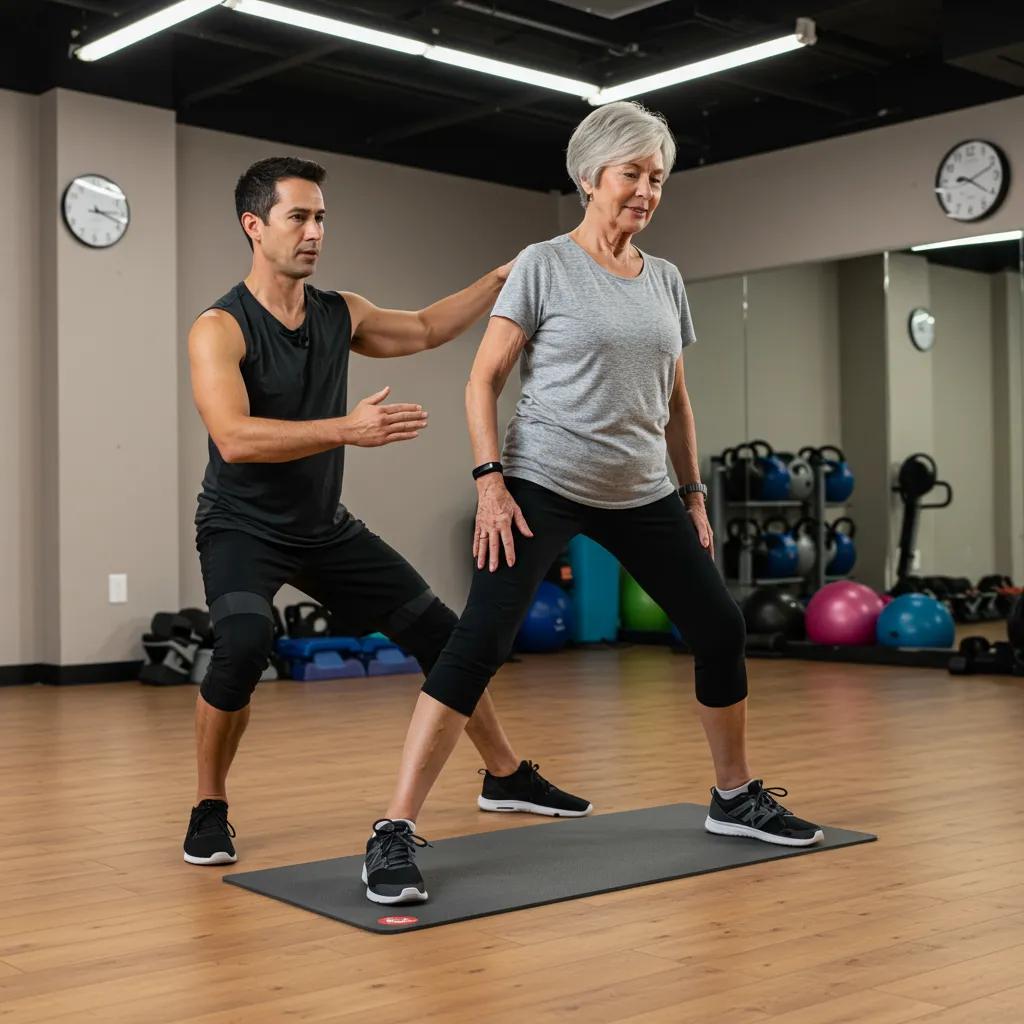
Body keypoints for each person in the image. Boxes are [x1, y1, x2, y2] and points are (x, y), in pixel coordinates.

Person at [363, 102, 823, 905]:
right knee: (478, 642)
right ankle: (395, 828)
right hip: (542, 479)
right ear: (588, 178)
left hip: (642, 487)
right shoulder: (544, 263)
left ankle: (733, 796)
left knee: (720, 625)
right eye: (632, 174)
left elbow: (676, 402)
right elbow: (482, 379)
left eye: (657, 177)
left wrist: (691, 493)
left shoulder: (667, 279)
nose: (646, 191)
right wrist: (490, 480)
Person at [183, 157, 591, 868]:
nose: (314, 233)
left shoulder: (341, 312)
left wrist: (500, 279)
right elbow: (234, 436)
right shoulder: (220, 328)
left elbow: (429, 328)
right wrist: (347, 428)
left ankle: (504, 775)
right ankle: (210, 804)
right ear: (254, 226)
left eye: (321, 219)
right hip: (241, 526)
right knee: (244, 645)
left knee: (445, 634)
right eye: (298, 218)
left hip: (323, 527)